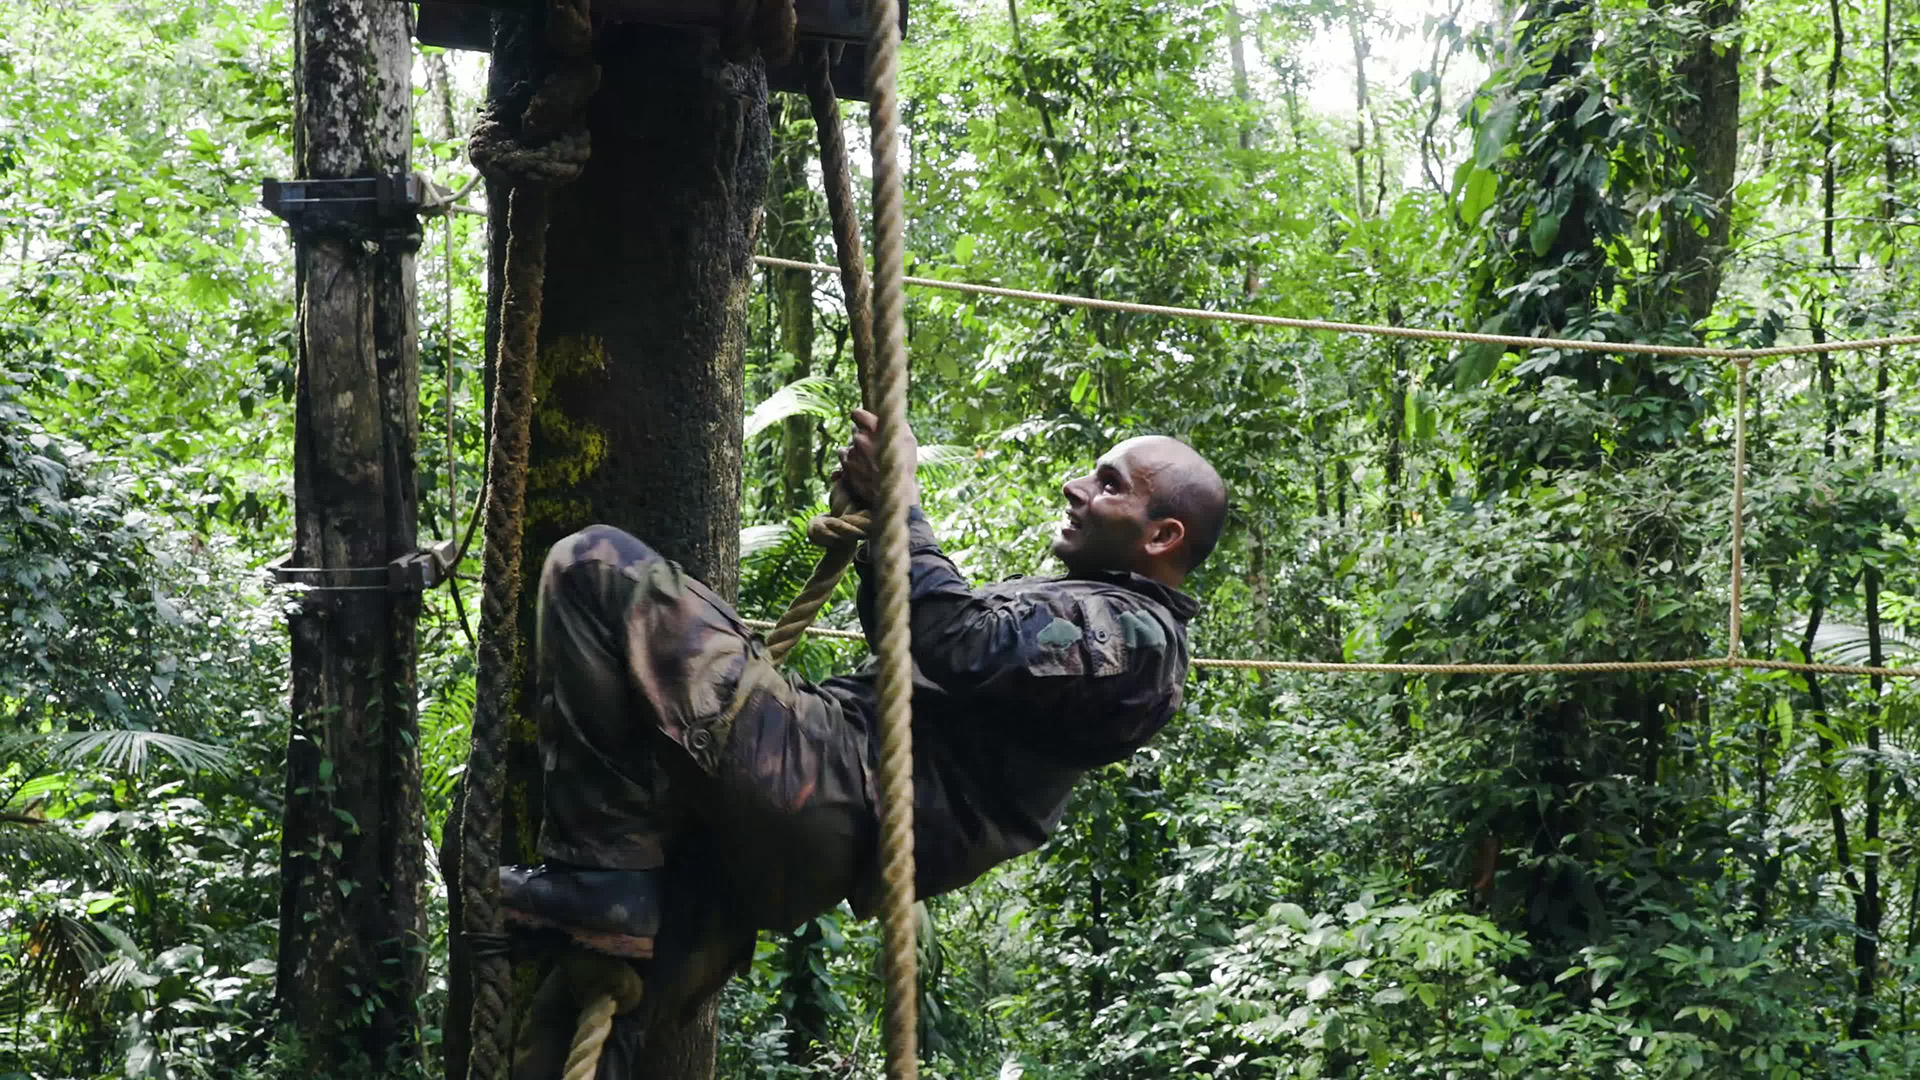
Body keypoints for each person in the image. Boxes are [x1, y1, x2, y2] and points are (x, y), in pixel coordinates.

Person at [499, 408, 1227, 1029]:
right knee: (584, 1017)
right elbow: (918, 635)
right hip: (818, 825)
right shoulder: (1100, 615)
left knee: (595, 565)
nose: (1076, 488)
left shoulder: (1140, 640)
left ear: (1162, 536)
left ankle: (600, 876)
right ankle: (614, 896)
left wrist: (901, 506)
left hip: (834, 783)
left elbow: (951, 641)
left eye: (1109, 485)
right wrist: (884, 519)